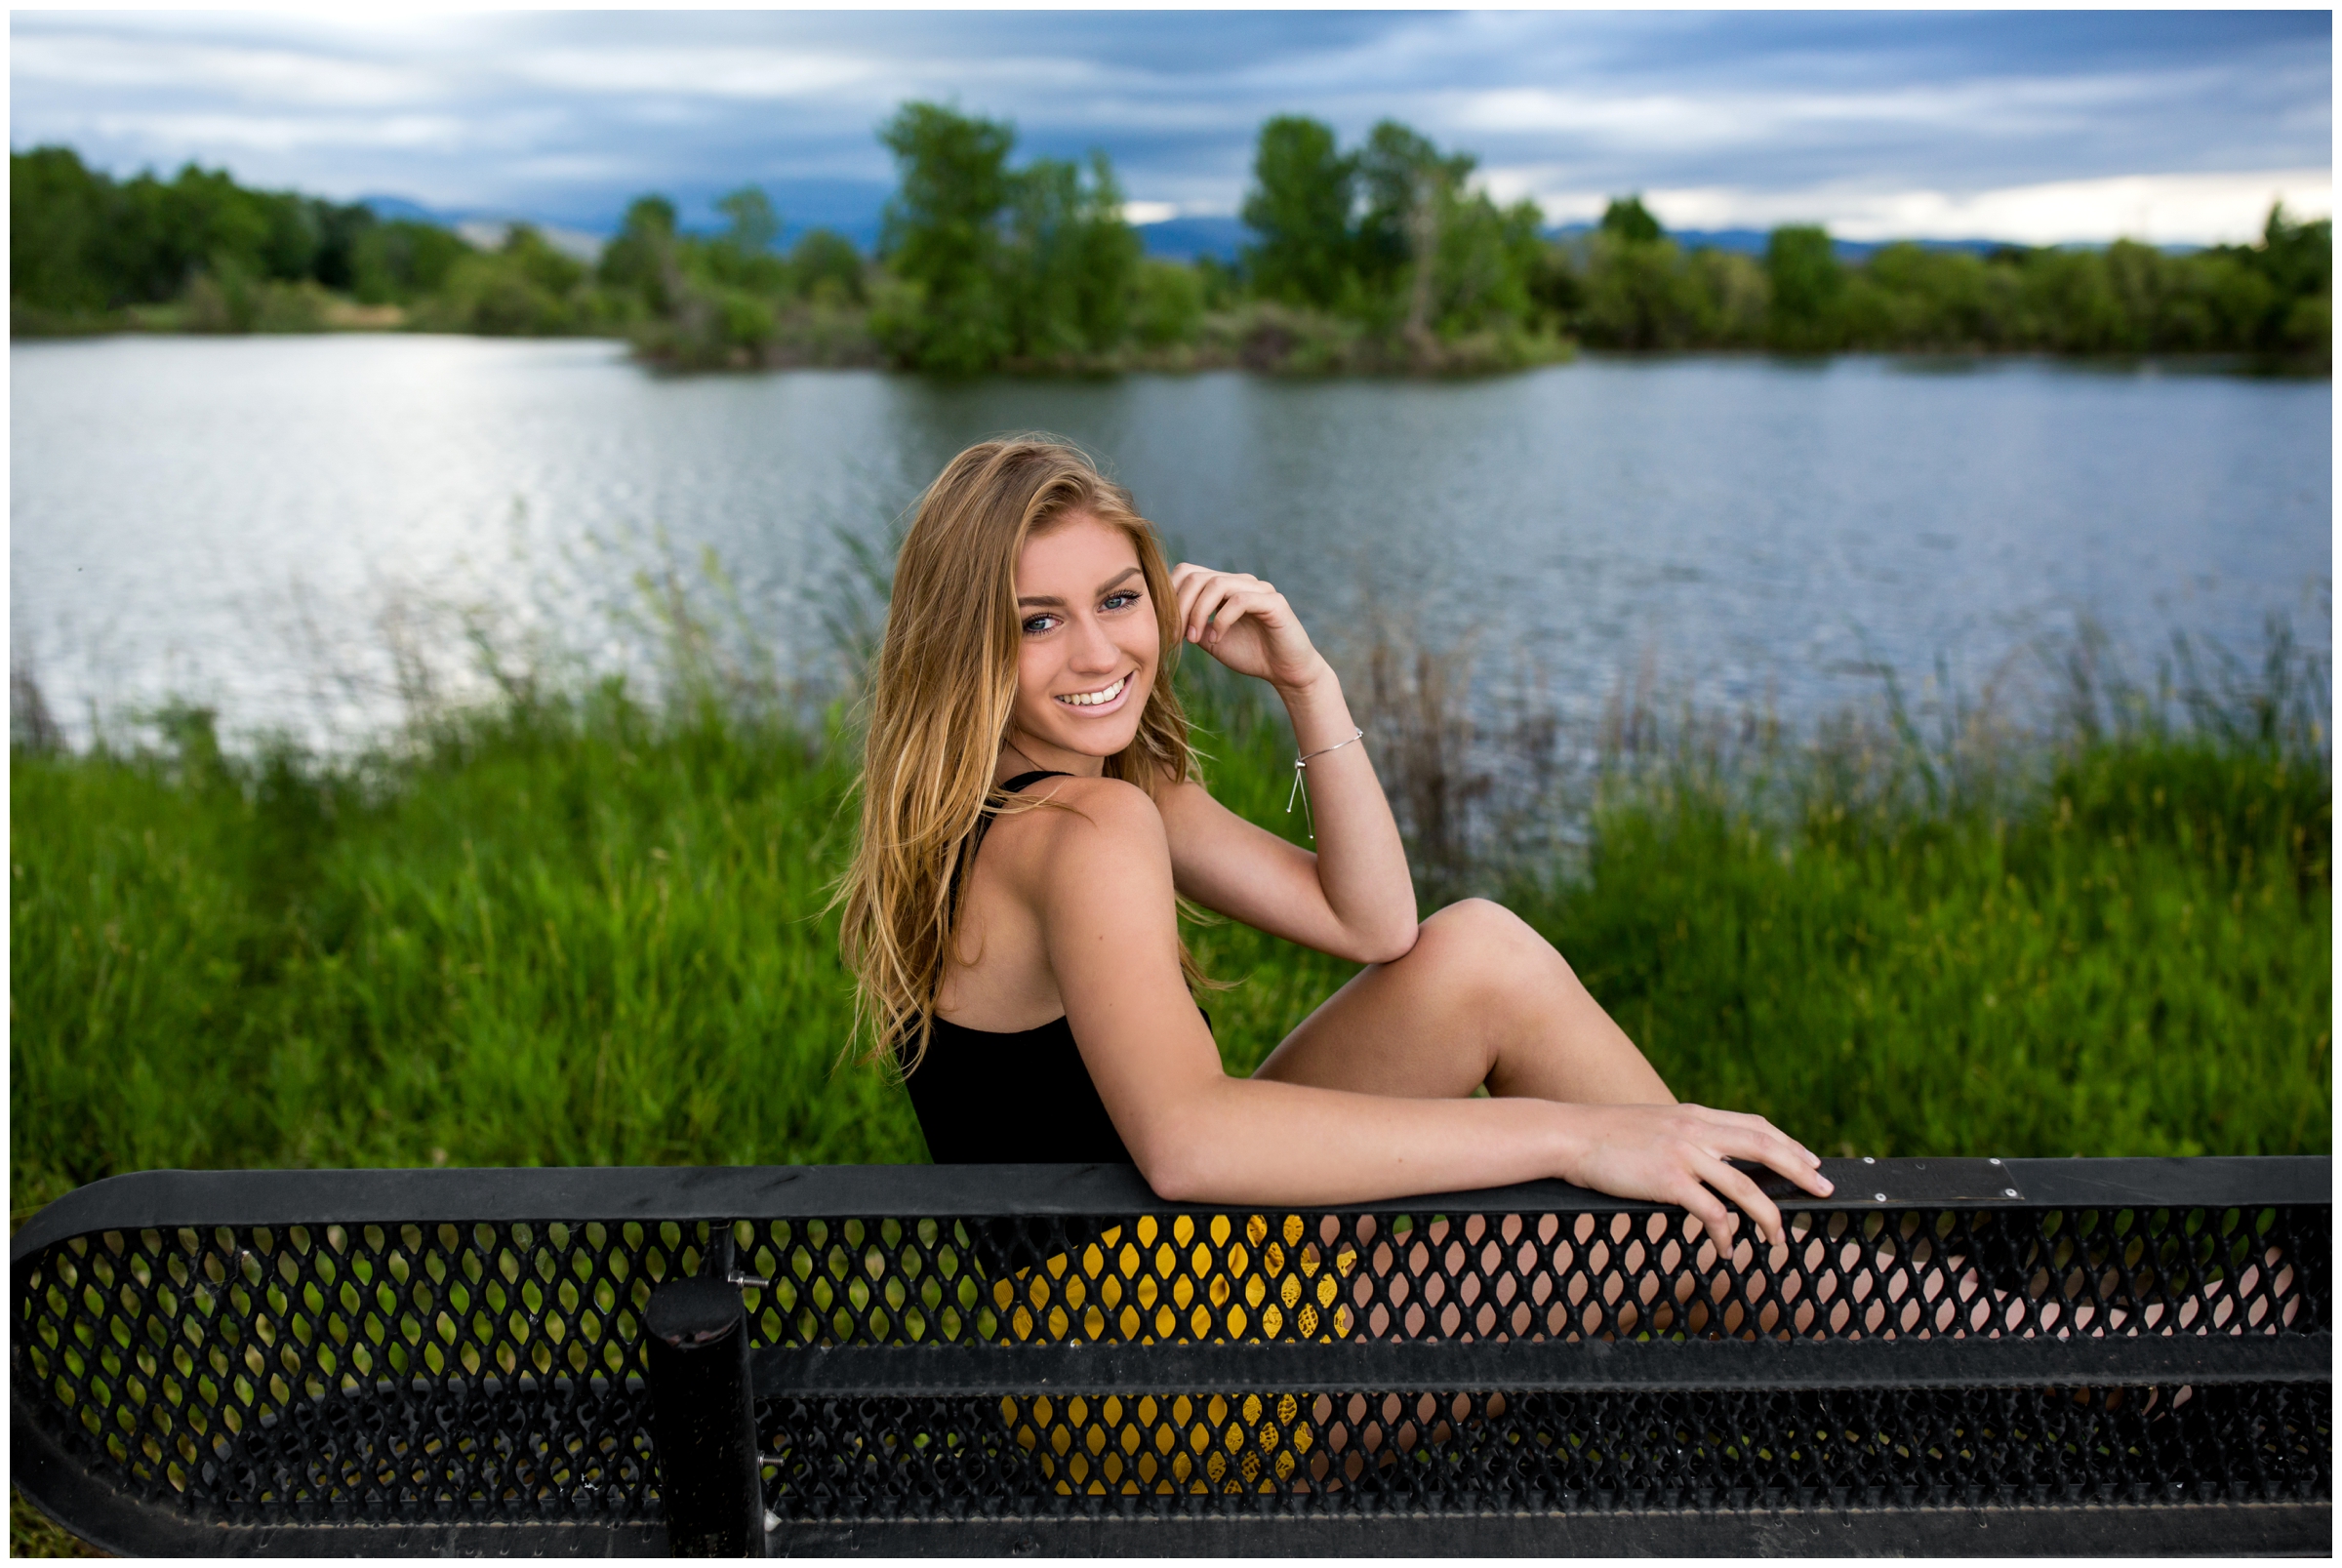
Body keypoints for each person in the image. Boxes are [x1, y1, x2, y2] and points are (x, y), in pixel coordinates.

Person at [837, 435, 1831, 1248]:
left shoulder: (1057, 798)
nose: (1099, 652)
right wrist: (1583, 1137)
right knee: (1674, 1226)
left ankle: (1878, 1302)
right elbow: (1190, 1141)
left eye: (1119, 598)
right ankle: (1922, 1334)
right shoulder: (1085, 827)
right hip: (1160, 1385)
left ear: (1160, 594)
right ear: (964, 642)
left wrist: (1307, 683)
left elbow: (1374, 922)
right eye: (1038, 620)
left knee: (1480, 951)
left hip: (1131, 1316)